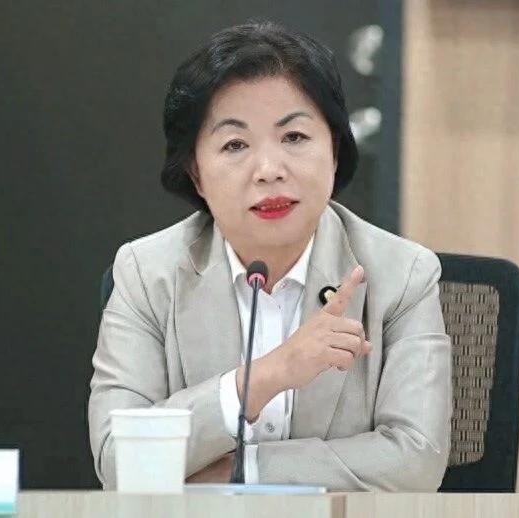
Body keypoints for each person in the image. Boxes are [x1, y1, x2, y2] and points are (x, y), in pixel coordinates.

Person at [88, 20, 452, 491]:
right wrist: (264, 378)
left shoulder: (403, 275)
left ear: (334, 150)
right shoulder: (147, 273)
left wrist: (245, 471)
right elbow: (119, 460)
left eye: (294, 137)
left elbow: (415, 458)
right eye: (235, 144)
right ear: (196, 174)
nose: (269, 170)